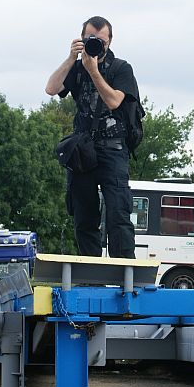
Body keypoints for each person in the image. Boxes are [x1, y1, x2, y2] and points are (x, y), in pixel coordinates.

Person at [45, 15, 140, 258]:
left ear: (110, 42)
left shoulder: (121, 68)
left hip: (113, 149)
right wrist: (71, 58)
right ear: (82, 39)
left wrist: (94, 71)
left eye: (102, 42)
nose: (97, 46)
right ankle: (90, 274)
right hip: (84, 150)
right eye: (91, 40)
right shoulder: (76, 67)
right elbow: (51, 88)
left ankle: (124, 275)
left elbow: (114, 101)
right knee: (84, 215)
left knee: (118, 214)